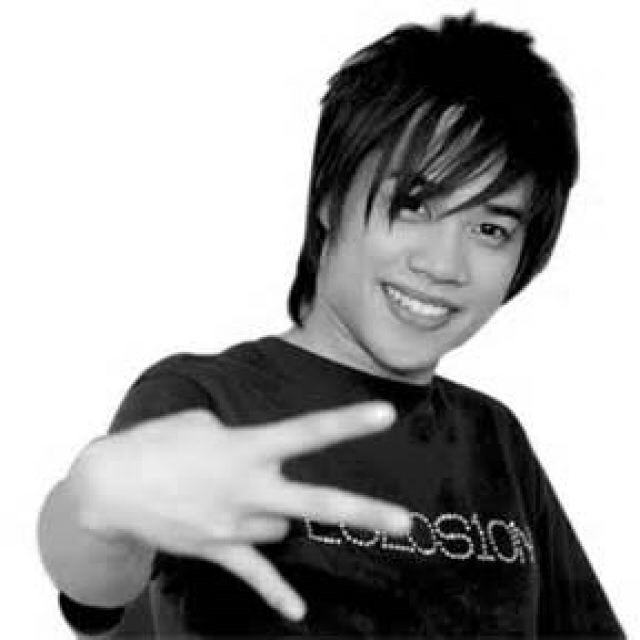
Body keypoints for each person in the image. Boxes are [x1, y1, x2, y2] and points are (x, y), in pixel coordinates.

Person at [37, 13, 625, 638]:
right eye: (413, 204)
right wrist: (97, 507)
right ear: (329, 198)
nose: (443, 265)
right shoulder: (206, 400)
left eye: (489, 228)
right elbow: (97, 578)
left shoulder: (495, 438)